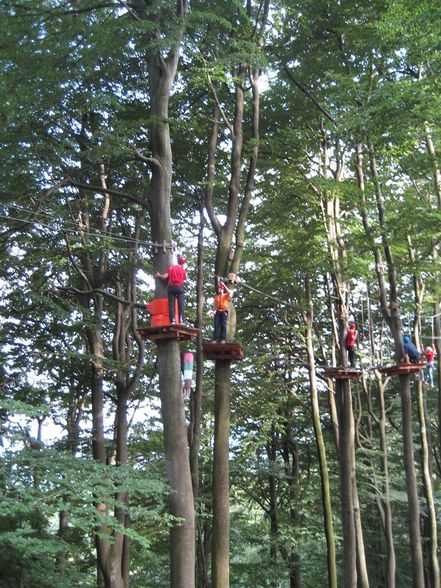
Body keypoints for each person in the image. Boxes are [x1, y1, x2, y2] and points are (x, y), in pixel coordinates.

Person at [156, 256, 187, 324]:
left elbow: (165, 277)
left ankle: (172, 321)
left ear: (177, 261)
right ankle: (181, 321)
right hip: (179, 287)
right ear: (183, 263)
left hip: (171, 287)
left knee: (171, 305)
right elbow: (185, 278)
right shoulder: (184, 271)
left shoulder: (171, 268)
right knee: (181, 304)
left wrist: (159, 275)